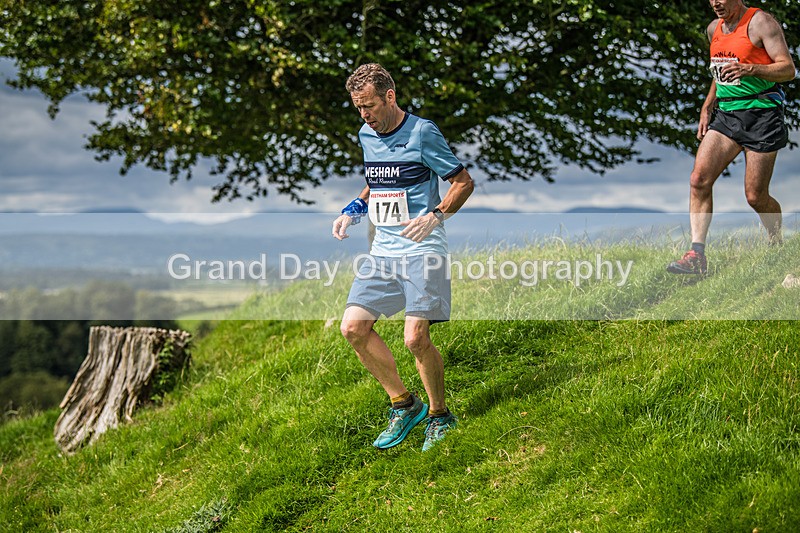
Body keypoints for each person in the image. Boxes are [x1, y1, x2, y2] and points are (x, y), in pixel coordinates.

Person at [332, 63, 474, 451]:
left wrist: (436, 215)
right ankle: (403, 404)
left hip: (423, 249)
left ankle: (439, 415)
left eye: (370, 106)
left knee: (415, 338)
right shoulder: (366, 133)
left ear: (389, 96)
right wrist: (353, 209)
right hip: (383, 251)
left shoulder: (423, 132)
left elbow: (463, 182)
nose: (365, 115)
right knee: (352, 329)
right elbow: (377, 180)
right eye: (358, 108)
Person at [667, 0, 796, 275]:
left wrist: (751, 68)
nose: (715, 2)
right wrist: (708, 103)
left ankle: (776, 243)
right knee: (698, 180)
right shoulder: (714, 28)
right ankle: (696, 255)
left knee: (755, 196)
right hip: (726, 117)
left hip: (762, 115)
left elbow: (788, 69)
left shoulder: (761, 23)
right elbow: (721, 69)